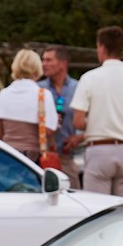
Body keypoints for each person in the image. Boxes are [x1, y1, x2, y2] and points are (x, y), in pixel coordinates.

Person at [70, 25, 123, 198]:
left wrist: (98, 122)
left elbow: (77, 121)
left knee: (96, 207)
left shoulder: (89, 78)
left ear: (102, 47)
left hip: (100, 148)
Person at [0, 49, 57, 163]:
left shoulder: (4, 94)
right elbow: (49, 131)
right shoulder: (43, 95)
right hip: (33, 159)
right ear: (37, 67)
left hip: (7, 156)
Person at [39, 45, 81, 187]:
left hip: (67, 157)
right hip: (41, 158)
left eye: (49, 60)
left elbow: (94, 119)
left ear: (63, 63)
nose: (44, 64)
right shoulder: (38, 88)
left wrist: (80, 137)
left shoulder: (79, 87)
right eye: (43, 60)